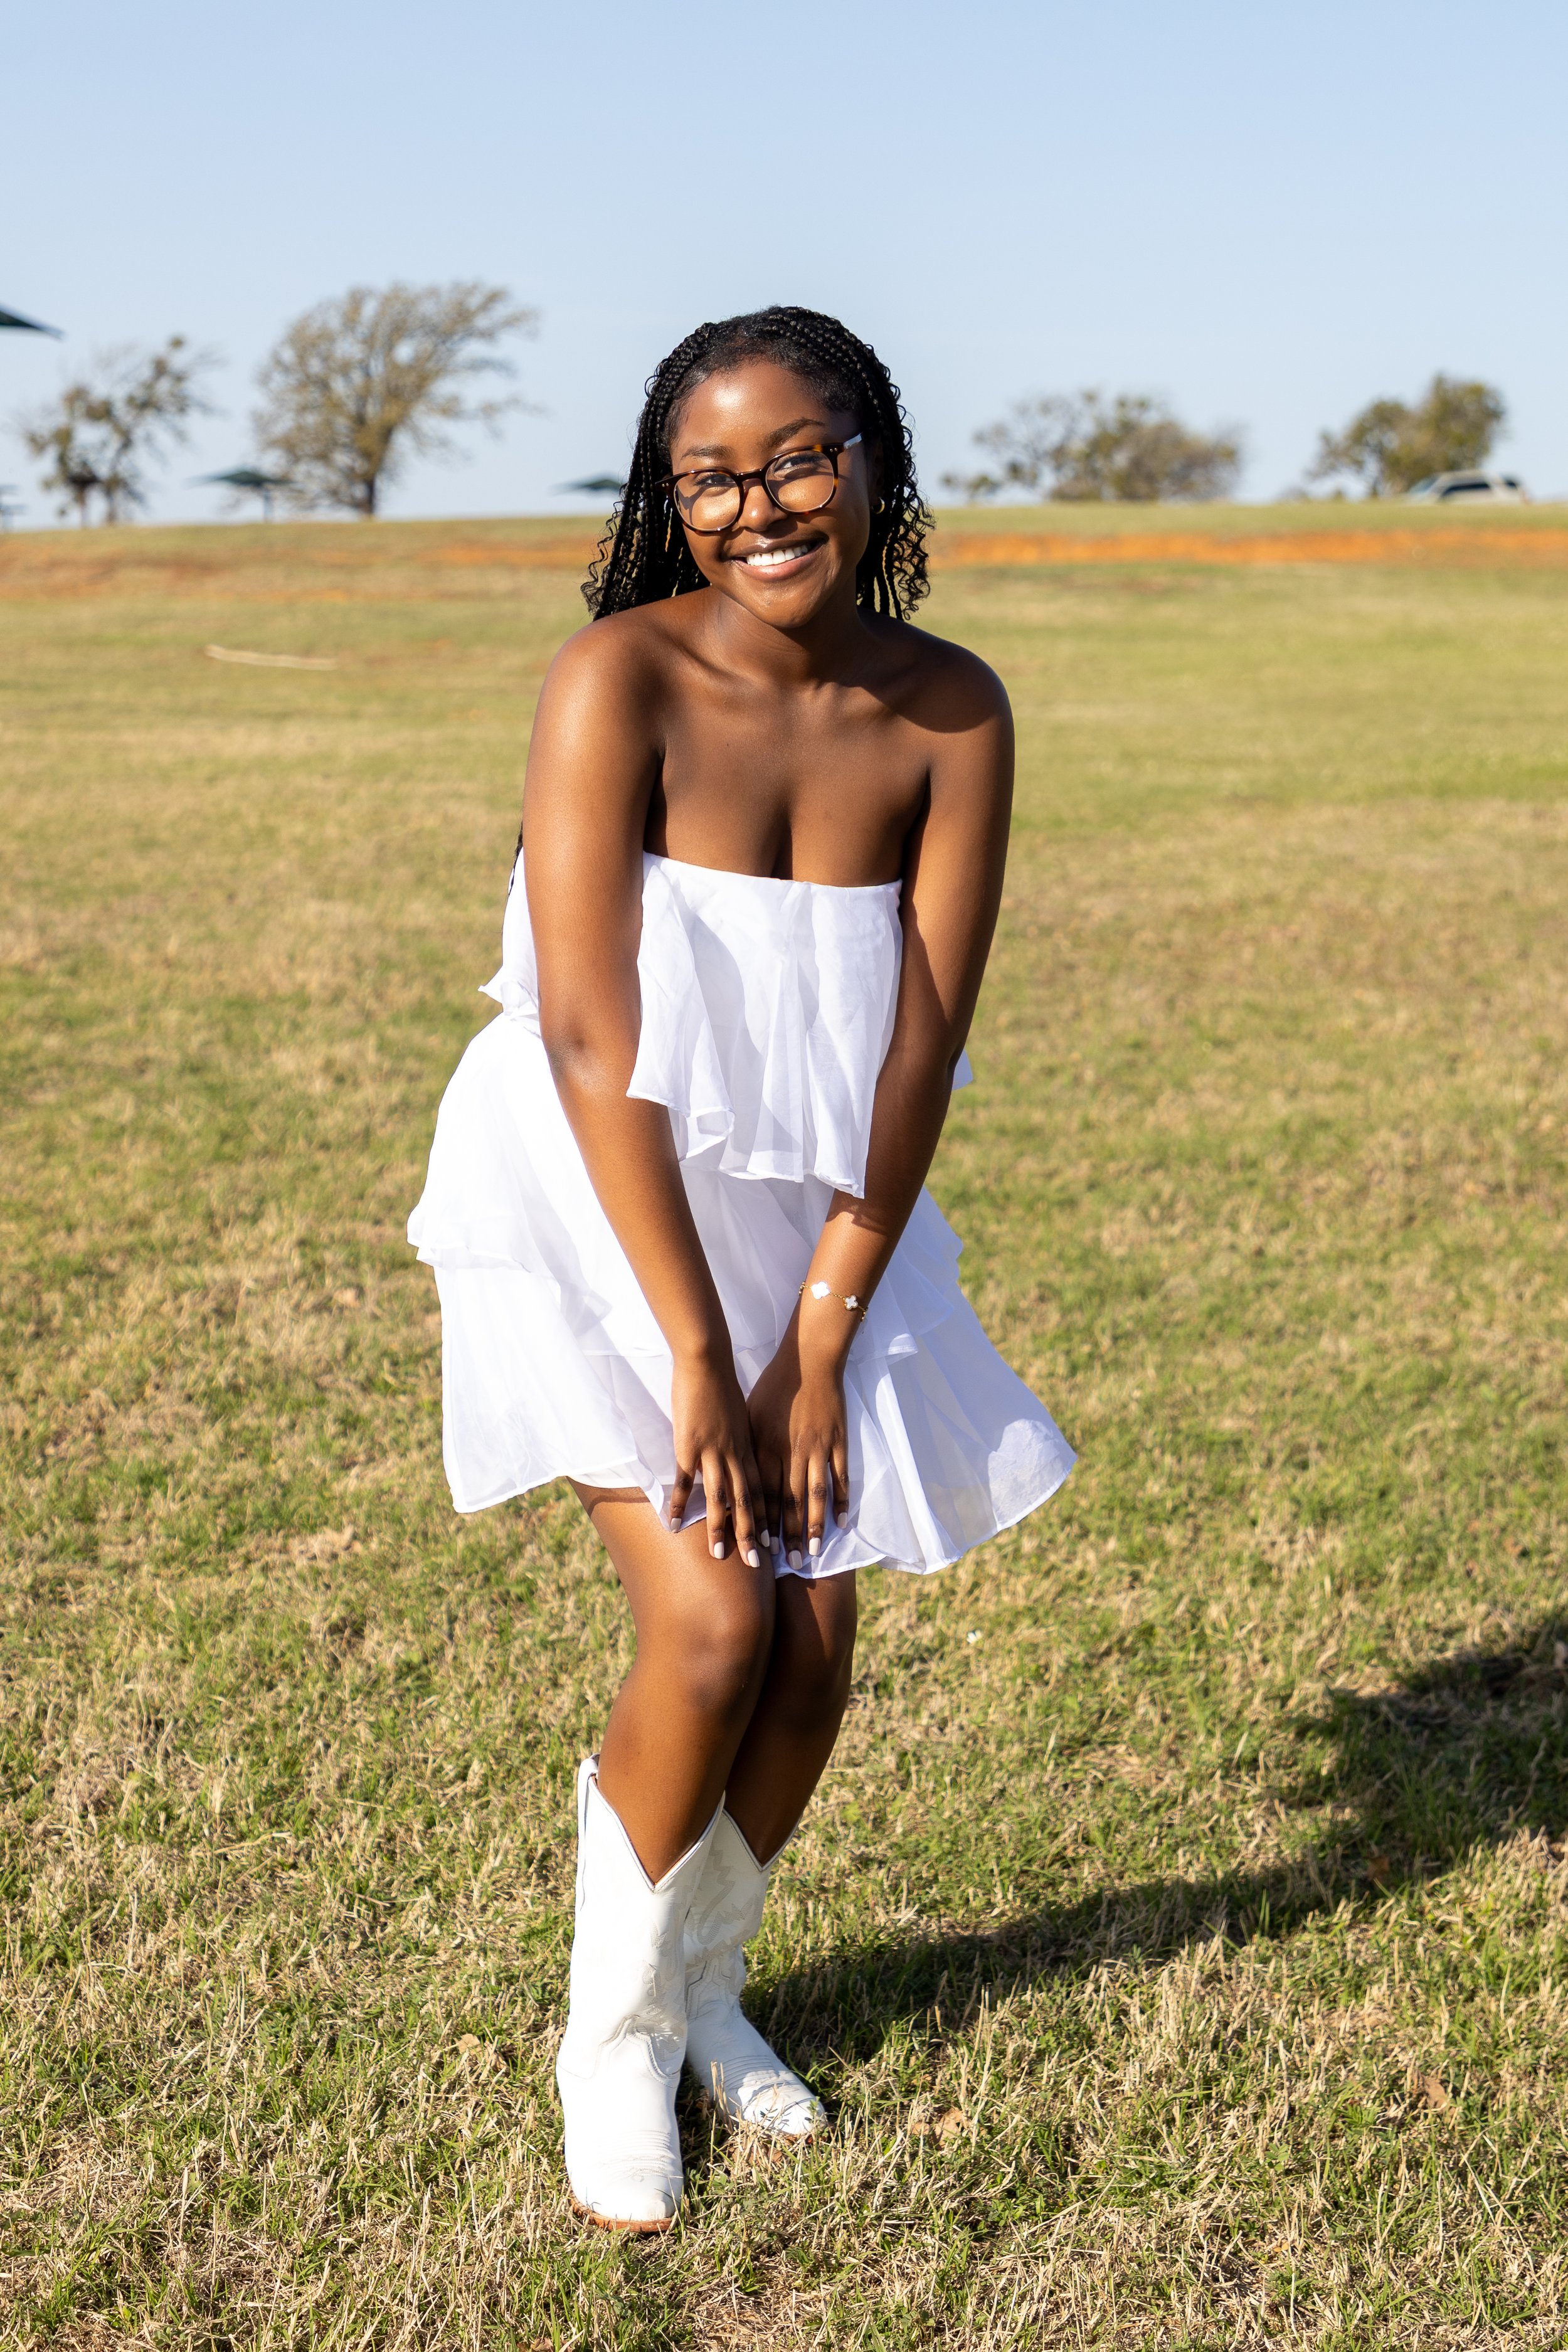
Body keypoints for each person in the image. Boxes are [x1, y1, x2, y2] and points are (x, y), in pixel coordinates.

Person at [408, 305, 1075, 2232]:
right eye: (708, 476)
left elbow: (918, 1042)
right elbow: (590, 1039)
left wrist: (817, 1328)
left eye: (796, 458)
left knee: (814, 1652)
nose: (756, 504)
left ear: (873, 460)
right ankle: (604, 2034)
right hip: (599, 1199)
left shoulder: (950, 711)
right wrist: (704, 1352)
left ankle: (710, 1991)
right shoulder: (612, 681)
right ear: (667, 498)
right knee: (709, 1629)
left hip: (816, 1228)